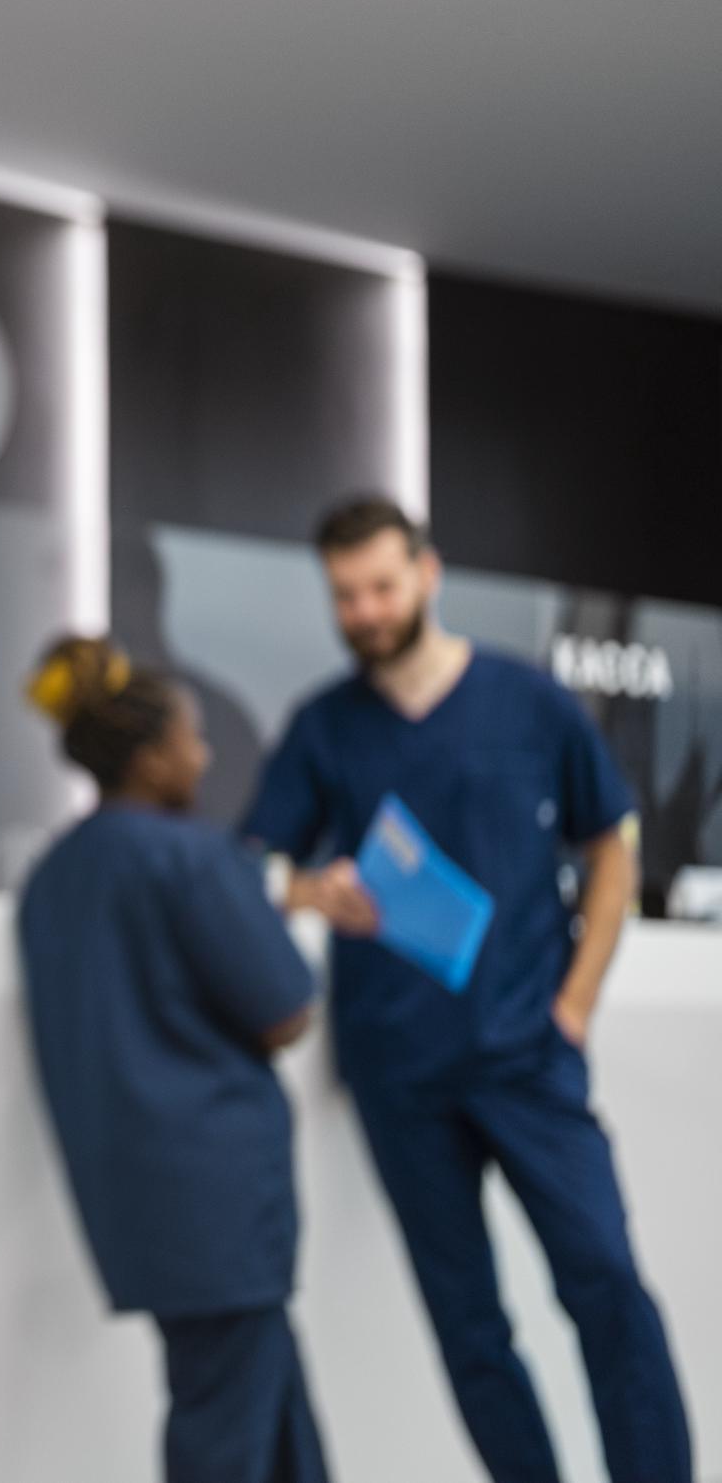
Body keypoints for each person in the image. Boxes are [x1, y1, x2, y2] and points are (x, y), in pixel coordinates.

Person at [243, 495, 692, 1483]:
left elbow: (611, 846)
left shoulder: (530, 704)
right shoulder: (325, 730)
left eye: (381, 587)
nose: (364, 610)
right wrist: (311, 888)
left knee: (608, 1283)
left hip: (529, 1057)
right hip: (401, 1077)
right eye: (345, 595)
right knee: (470, 1329)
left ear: (428, 575)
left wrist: (575, 1003)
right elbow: (252, 862)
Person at [18, 637, 328, 1483]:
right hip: (220, 1203)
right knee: (225, 1435)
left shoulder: (55, 876)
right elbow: (286, 1008)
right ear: (152, 760)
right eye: (192, 739)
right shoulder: (192, 858)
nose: (204, 754)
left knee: (272, 1417)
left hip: (137, 1202)